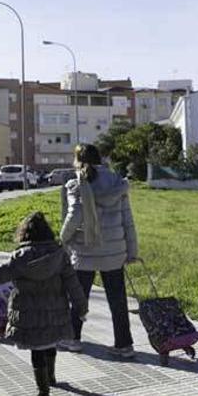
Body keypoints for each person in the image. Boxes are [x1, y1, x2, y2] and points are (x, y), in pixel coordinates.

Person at [0, 211, 87, 396]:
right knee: (50, 343)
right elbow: (73, 283)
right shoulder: (60, 255)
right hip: (55, 310)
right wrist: (82, 307)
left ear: (24, 234)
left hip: (28, 314)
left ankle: (43, 395)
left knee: (37, 351)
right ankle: (51, 378)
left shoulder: (19, 257)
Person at [60, 144, 138, 358]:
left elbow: (74, 216)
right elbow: (127, 219)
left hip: (85, 251)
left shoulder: (77, 184)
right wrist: (132, 250)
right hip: (114, 252)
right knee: (117, 300)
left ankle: (73, 338)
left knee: (78, 297)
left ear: (78, 160)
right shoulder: (116, 182)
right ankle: (124, 345)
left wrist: (62, 239)